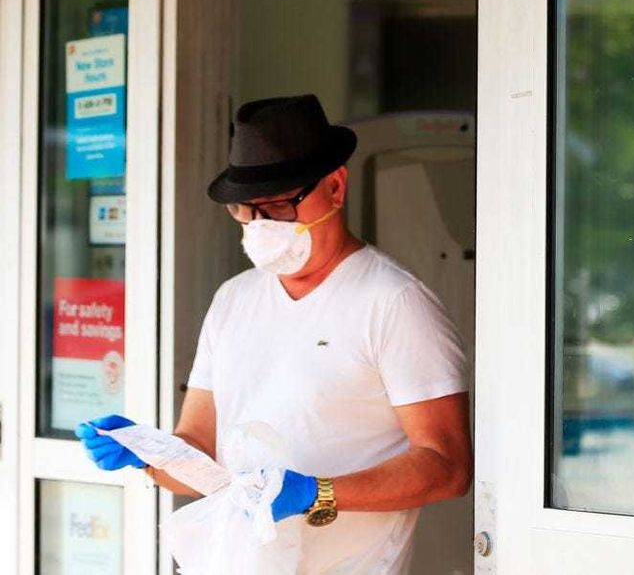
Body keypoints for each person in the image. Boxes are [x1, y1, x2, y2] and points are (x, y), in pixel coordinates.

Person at [76, 94, 472, 573]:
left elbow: (446, 465)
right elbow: (200, 450)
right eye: (246, 210)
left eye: (280, 206)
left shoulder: (392, 301)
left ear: (335, 187)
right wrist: (146, 453)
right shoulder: (233, 300)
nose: (261, 227)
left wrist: (317, 492)